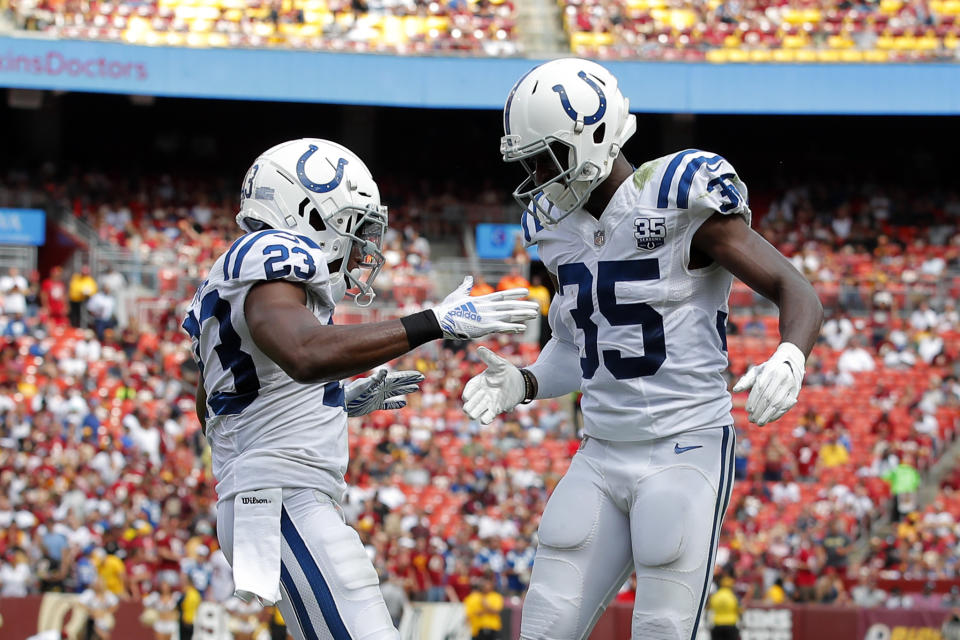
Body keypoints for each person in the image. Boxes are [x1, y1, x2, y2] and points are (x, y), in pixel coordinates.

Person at [462, 58, 823, 640]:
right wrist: (525, 382)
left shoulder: (678, 197)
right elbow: (576, 345)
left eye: (545, 158)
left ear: (595, 135)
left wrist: (790, 354)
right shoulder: (553, 228)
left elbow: (794, 287)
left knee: (660, 627)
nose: (535, 176)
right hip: (600, 449)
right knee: (543, 626)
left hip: (687, 443)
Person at [183, 138, 538, 640]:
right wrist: (434, 320)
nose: (362, 243)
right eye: (353, 224)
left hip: (274, 495)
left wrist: (329, 403)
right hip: (281, 499)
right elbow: (303, 352)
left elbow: (216, 404)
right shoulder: (269, 253)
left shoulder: (237, 274)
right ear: (307, 211)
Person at [463, 575, 504, 640]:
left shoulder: (496, 597)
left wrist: (486, 607)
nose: (485, 586)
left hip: (493, 629)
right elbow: (471, 614)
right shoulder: (473, 597)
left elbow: (496, 611)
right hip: (478, 630)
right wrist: (488, 611)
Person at [707, 576, 740, 640]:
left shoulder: (715, 595)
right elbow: (740, 609)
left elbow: (709, 607)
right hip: (731, 625)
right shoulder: (733, 596)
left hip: (717, 625)